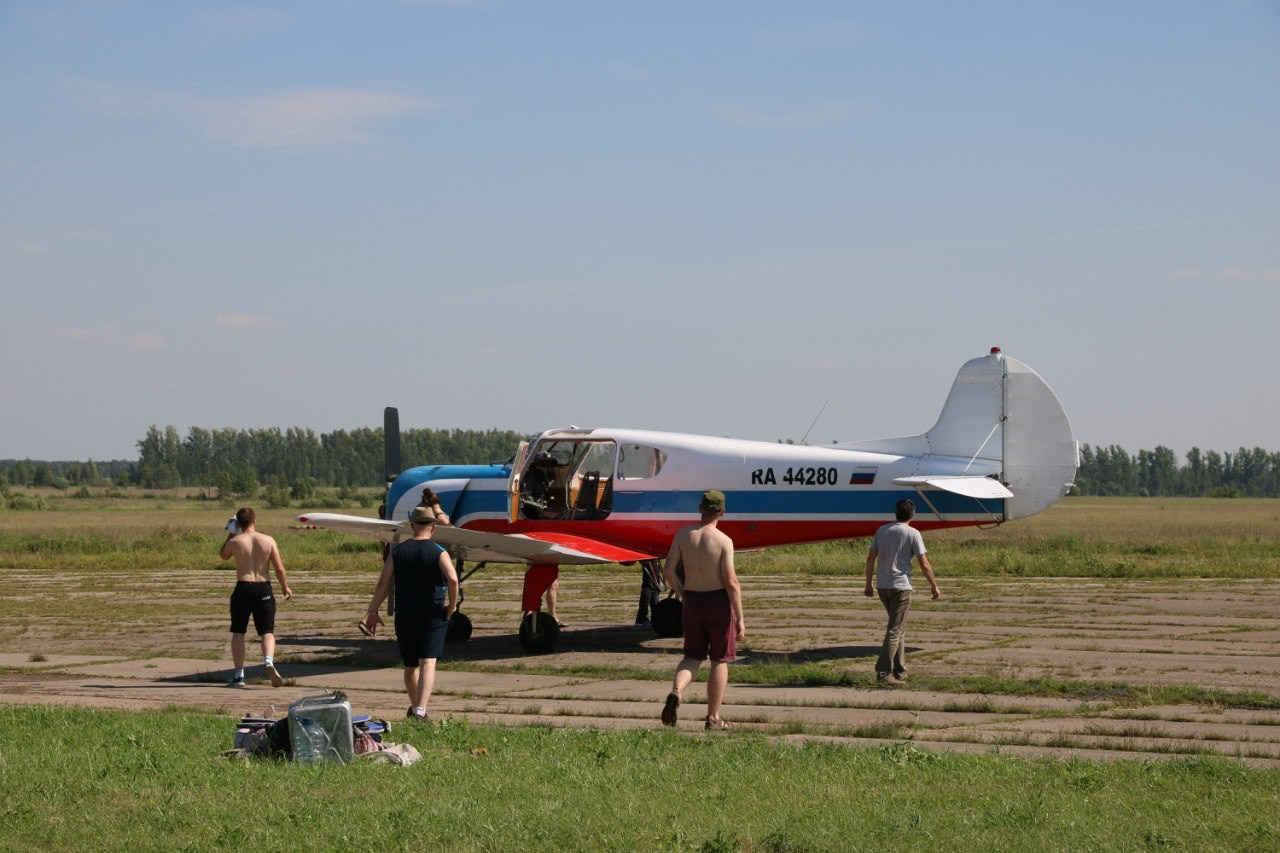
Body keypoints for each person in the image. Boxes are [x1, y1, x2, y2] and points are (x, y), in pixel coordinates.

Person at [363, 505, 460, 721]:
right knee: (428, 662)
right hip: (433, 614)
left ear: (412, 526)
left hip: (405, 614)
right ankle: (420, 710)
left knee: (410, 664)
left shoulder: (397, 552)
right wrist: (452, 607)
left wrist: (372, 610)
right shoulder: (438, 551)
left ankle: (415, 706)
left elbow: (383, 583)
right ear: (433, 527)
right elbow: (453, 579)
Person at [660, 489, 743, 731]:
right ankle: (713, 717)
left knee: (692, 657)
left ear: (700, 509)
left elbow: (668, 571)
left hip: (693, 601)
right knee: (719, 660)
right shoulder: (723, 541)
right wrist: (740, 617)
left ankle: (677, 691)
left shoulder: (684, 535)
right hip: (717, 603)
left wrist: (683, 592)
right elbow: (731, 582)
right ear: (722, 512)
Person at [864, 498, 940, 686]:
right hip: (901, 587)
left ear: (895, 513)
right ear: (912, 515)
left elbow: (871, 558)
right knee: (894, 630)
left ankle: (900, 669)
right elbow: (924, 563)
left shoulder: (882, 530)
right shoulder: (913, 533)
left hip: (883, 586)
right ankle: (883, 673)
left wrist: (868, 583)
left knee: (899, 628)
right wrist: (934, 585)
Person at [219, 507, 293, 688]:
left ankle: (239, 675)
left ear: (239, 523)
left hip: (243, 588)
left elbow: (223, 556)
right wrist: (285, 586)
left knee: (238, 632)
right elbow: (279, 568)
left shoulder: (235, 541)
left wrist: (230, 533)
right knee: (267, 631)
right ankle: (268, 661)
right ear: (254, 521)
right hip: (264, 589)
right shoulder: (268, 540)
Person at [634, 560, 661, 628]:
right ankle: (641, 618)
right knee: (648, 589)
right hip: (648, 561)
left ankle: (656, 616)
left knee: (655, 590)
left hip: (653, 562)